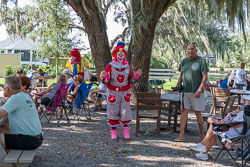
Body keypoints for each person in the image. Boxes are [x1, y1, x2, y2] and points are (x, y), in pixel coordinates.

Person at [100, 41, 142, 140]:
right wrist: (105, 78)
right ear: (115, 54)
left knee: (126, 111)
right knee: (113, 110)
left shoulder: (127, 66)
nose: (120, 56)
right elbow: (106, 80)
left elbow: (130, 80)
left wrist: (136, 77)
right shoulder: (110, 66)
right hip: (113, 92)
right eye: (118, 54)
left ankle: (125, 131)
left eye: (122, 54)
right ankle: (113, 131)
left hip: (124, 93)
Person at [189, 95, 248, 161]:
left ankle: (202, 144)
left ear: (248, 103)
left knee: (213, 125)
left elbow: (234, 124)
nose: (244, 102)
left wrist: (217, 122)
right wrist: (234, 114)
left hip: (233, 133)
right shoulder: (246, 113)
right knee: (214, 131)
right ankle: (203, 154)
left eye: (245, 101)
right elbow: (236, 124)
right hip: (238, 132)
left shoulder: (244, 113)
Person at [174, 43, 209, 142]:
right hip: (185, 91)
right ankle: (181, 135)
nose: (190, 51)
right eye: (189, 49)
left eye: (192, 49)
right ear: (187, 50)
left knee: (197, 112)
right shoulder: (184, 61)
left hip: (196, 92)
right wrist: (177, 86)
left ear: (196, 50)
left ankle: (202, 134)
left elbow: (205, 77)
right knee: (184, 111)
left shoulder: (201, 61)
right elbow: (181, 76)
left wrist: (199, 89)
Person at [0, 75, 43, 150]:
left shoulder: (15, 99)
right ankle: (7, 155)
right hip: (37, 138)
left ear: (7, 88)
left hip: (29, 141)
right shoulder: (25, 95)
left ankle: (6, 159)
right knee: (2, 128)